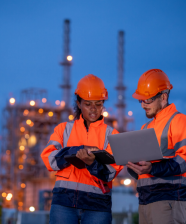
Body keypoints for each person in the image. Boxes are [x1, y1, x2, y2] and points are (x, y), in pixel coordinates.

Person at [41, 74, 123, 224]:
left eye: (98, 104)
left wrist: (92, 163)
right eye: (88, 104)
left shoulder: (112, 134)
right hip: (64, 202)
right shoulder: (63, 129)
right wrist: (76, 151)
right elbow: (49, 160)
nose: (94, 109)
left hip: (97, 205)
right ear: (79, 103)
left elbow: (111, 172)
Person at [127, 69, 186, 224]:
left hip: (169, 201)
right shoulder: (145, 128)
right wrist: (134, 166)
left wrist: (152, 168)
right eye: (141, 100)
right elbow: (144, 170)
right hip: (145, 201)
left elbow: (184, 160)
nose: (143, 105)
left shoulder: (179, 121)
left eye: (148, 100)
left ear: (163, 97)